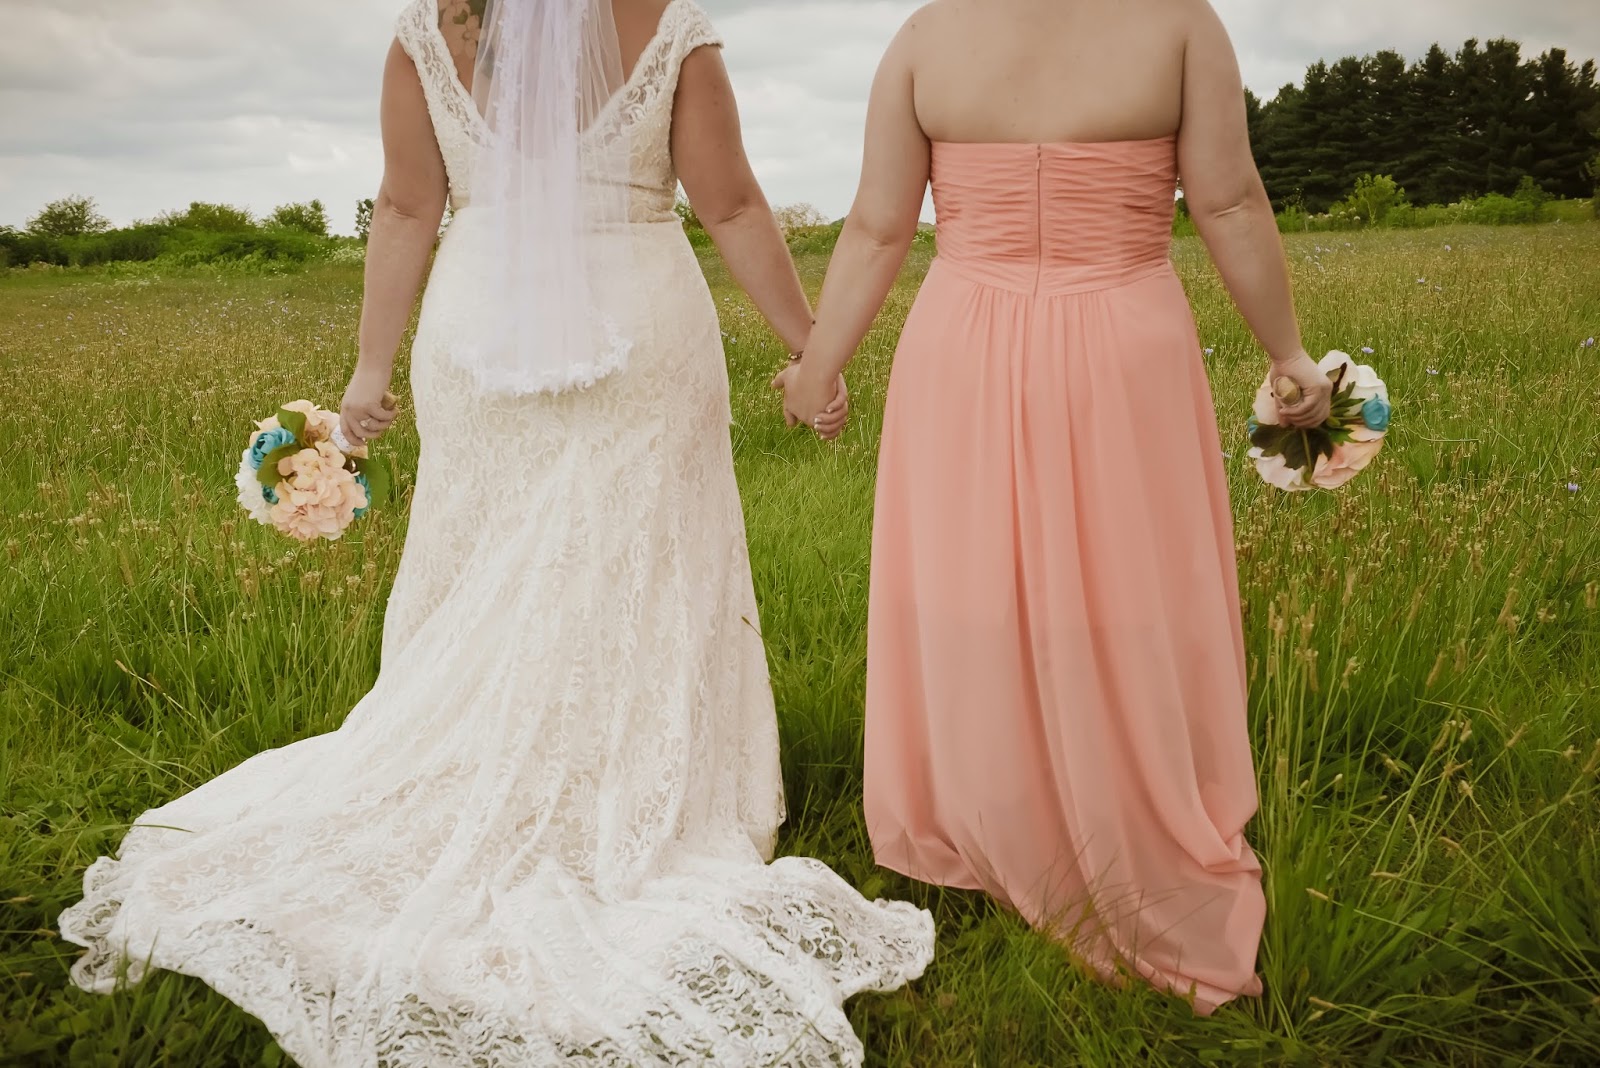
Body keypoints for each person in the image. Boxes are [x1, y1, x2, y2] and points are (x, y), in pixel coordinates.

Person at [59, 1, 933, 1063]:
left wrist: (370, 369)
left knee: (493, 561)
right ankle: (625, 795)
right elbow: (734, 204)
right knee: (637, 561)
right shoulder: (670, 25)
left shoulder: (430, 31)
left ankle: (488, 778)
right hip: (639, 327)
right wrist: (811, 352)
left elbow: (404, 206)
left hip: (479, 330)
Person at [776, 0, 1333, 1013]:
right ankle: (1115, 801)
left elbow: (878, 225)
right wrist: (1287, 351)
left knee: (975, 586)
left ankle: (995, 809)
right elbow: (1229, 203)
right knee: (1126, 583)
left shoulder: (926, 38)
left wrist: (819, 366)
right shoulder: (1178, 25)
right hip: (1122, 344)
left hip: (963, 343)